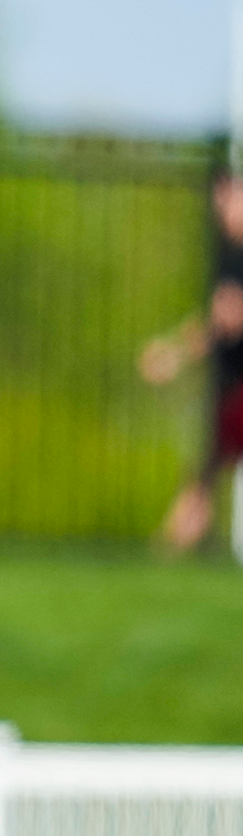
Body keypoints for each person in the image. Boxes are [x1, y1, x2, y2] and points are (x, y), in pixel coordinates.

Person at [141, 166, 243, 554]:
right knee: (204, 474)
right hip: (232, 388)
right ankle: (170, 549)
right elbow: (220, 321)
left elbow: (227, 318)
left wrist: (175, 355)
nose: (226, 207)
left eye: (233, 196)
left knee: (204, 474)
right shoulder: (226, 257)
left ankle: (169, 549)